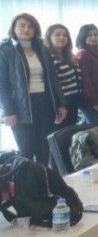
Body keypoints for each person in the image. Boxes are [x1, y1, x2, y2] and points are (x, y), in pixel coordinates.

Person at [0, 13, 66, 164]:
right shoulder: (5, 50)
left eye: (30, 26)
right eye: (22, 26)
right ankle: (26, 180)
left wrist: (60, 103)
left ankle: (43, 178)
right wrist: (8, 110)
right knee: (27, 150)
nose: (26, 29)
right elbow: (2, 84)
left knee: (44, 149)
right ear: (14, 28)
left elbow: (53, 79)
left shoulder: (42, 48)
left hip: (45, 103)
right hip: (20, 106)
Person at [44, 24, 82, 128]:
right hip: (61, 102)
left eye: (65, 35)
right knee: (61, 133)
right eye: (57, 35)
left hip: (74, 100)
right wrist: (58, 105)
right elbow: (51, 83)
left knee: (71, 131)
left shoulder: (70, 55)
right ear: (49, 37)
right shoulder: (48, 57)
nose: (62, 37)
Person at [76, 24, 98, 126]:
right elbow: (86, 80)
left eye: (95, 34)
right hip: (92, 103)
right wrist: (94, 101)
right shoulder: (83, 54)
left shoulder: (97, 54)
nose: (93, 37)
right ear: (83, 37)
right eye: (89, 35)